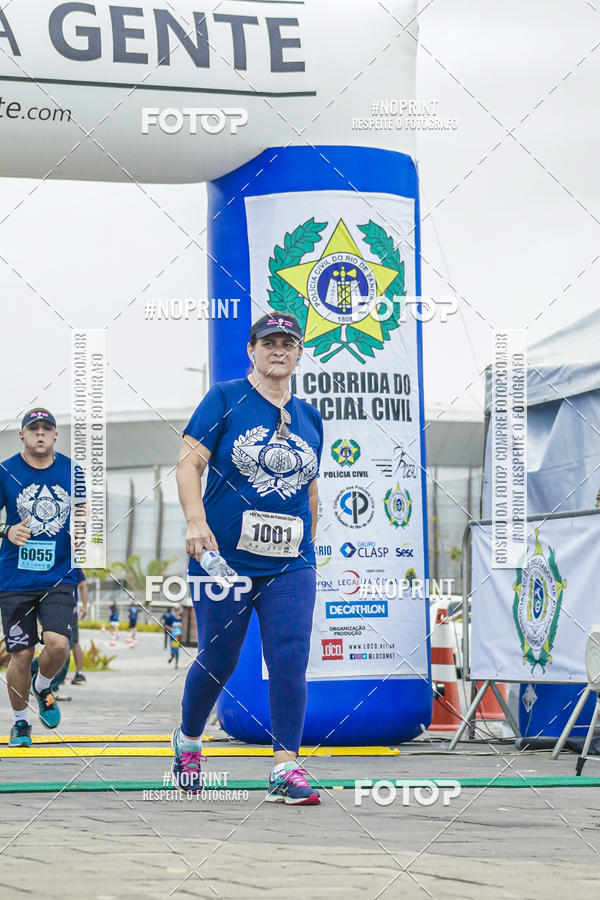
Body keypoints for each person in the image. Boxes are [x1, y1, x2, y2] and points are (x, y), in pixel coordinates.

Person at [172, 313, 323, 805]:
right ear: (251, 350)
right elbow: (189, 465)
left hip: (289, 561)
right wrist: (196, 523)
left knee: (289, 657)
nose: (279, 349)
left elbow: (310, 488)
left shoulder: (310, 417)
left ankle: (285, 767)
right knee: (221, 657)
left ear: (299, 353)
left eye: (288, 343)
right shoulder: (224, 398)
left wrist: (307, 546)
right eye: (269, 342)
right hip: (223, 558)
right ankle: (188, 741)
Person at [0, 408, 84, 747]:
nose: (40, 433)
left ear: (55, 435)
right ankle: (20, 722)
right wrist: (7, 530)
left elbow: (84, 514)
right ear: (21, 434)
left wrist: (84, 536)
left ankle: (43, 685)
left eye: (46, 428)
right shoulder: (5, 471)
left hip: (58, 577)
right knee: (21, 655)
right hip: (15, 580)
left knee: (58, 645)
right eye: (33, 428)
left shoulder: (73, 471)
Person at [71, 568, 88, 684]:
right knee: (73, 642)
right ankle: (79, 673)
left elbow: (82, 585)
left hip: (69, 610)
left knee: (73, 642)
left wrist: (84, 606)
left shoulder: (73, 564)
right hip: (66, 609)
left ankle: (79, 673)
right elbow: (82, 585)